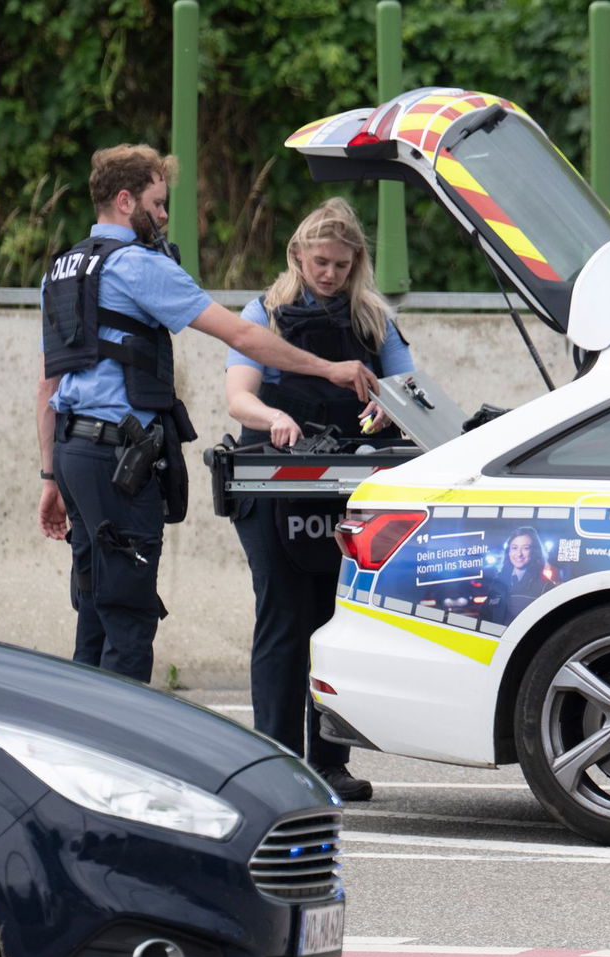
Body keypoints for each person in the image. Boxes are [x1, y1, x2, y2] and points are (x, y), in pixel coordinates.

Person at [36, 144, 376, 687]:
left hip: (76, 458)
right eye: (158, 202)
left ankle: (83, 749)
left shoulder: (64, 270)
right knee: (129, 619)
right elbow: (242, 335)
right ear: (126, 202)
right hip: (117, 461)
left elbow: (48, 383)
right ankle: (121, 765)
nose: (166, 215)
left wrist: (51, 474)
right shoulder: (137, 266)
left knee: (95, 617)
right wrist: (328, 369)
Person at [223, 198, 414, 803]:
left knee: (339, 622)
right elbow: (237, 397)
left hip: (348, 489)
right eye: (318, 262)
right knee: (283, 620)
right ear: (297, 255)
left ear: (356, 262)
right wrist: (273, 414)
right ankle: (276, 763)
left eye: (340, 263)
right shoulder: (267, 313)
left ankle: (330, 762)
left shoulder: (374, 319)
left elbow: (410, 388)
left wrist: (391, 402)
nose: (328, 274)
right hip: (274, 486)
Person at [480, 527, 557, 625]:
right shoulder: (498, 583)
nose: (519, 554)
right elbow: (484, 616)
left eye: (526, 548)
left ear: (535, 551)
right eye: (515, 548)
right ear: (509, 551)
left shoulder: (545, 587)